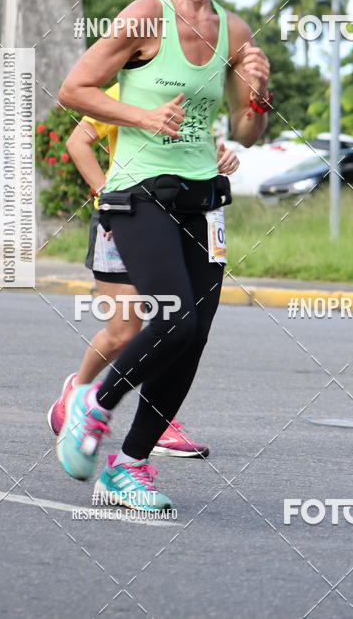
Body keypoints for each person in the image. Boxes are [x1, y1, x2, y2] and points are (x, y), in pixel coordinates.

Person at [56, 0, 272, 512]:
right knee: (172, 317)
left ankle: (129, 467)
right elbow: (77, 88)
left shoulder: (234, 29)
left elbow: (245, 130)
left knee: (193, 335)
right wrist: (142, 115)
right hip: (138, 193)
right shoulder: (144, 17)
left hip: (204, 200)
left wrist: (256, 94)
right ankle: (93, 405)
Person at [46, 82, 240, 459]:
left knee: (173, 325)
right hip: (126, 215)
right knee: (124, 331)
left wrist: (221, 157)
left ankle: (157, 421)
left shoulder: (199, 92)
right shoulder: (126, 89)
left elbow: (195, 152)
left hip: (182, 217)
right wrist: (108, 196)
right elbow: (77, 143)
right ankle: (76, 394)